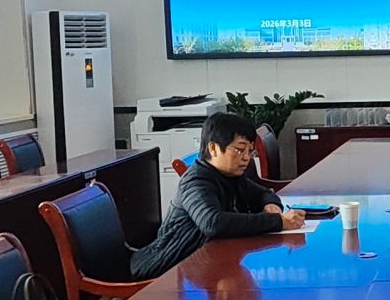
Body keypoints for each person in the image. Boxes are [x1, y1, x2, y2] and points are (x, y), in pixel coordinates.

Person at [130, 111, 305, 278]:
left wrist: (270, 205)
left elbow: (264, 193)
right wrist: (277, 222)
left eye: (250, 151)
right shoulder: (196, 181)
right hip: (168, 267)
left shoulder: (230, 175)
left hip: (203, 262)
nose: (246, 158)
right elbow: (213, 223)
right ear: (213, 148)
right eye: (239, 150)